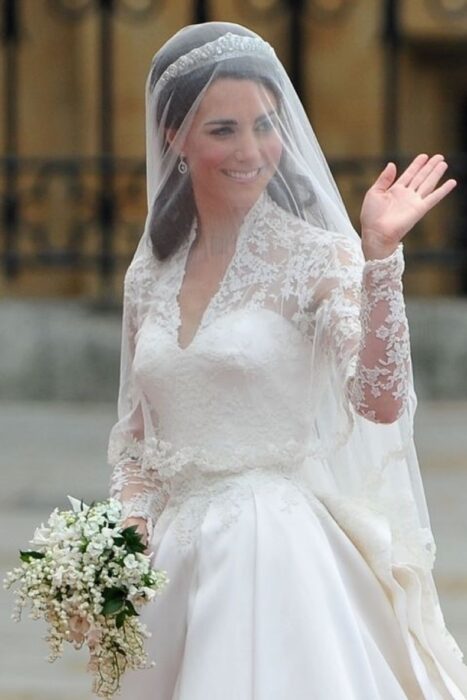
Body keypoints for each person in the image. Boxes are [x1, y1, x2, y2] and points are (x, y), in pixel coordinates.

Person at [107, 21, 467, 699]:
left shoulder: (315, 256)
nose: (252, 150)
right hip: (174, 562)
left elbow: (378, 402)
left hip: (276, 549)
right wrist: (123, 537)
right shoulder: (147, 276)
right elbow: (136, 441)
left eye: (265, 124)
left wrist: (379, 260)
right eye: (223, 130)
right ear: (174, 137)